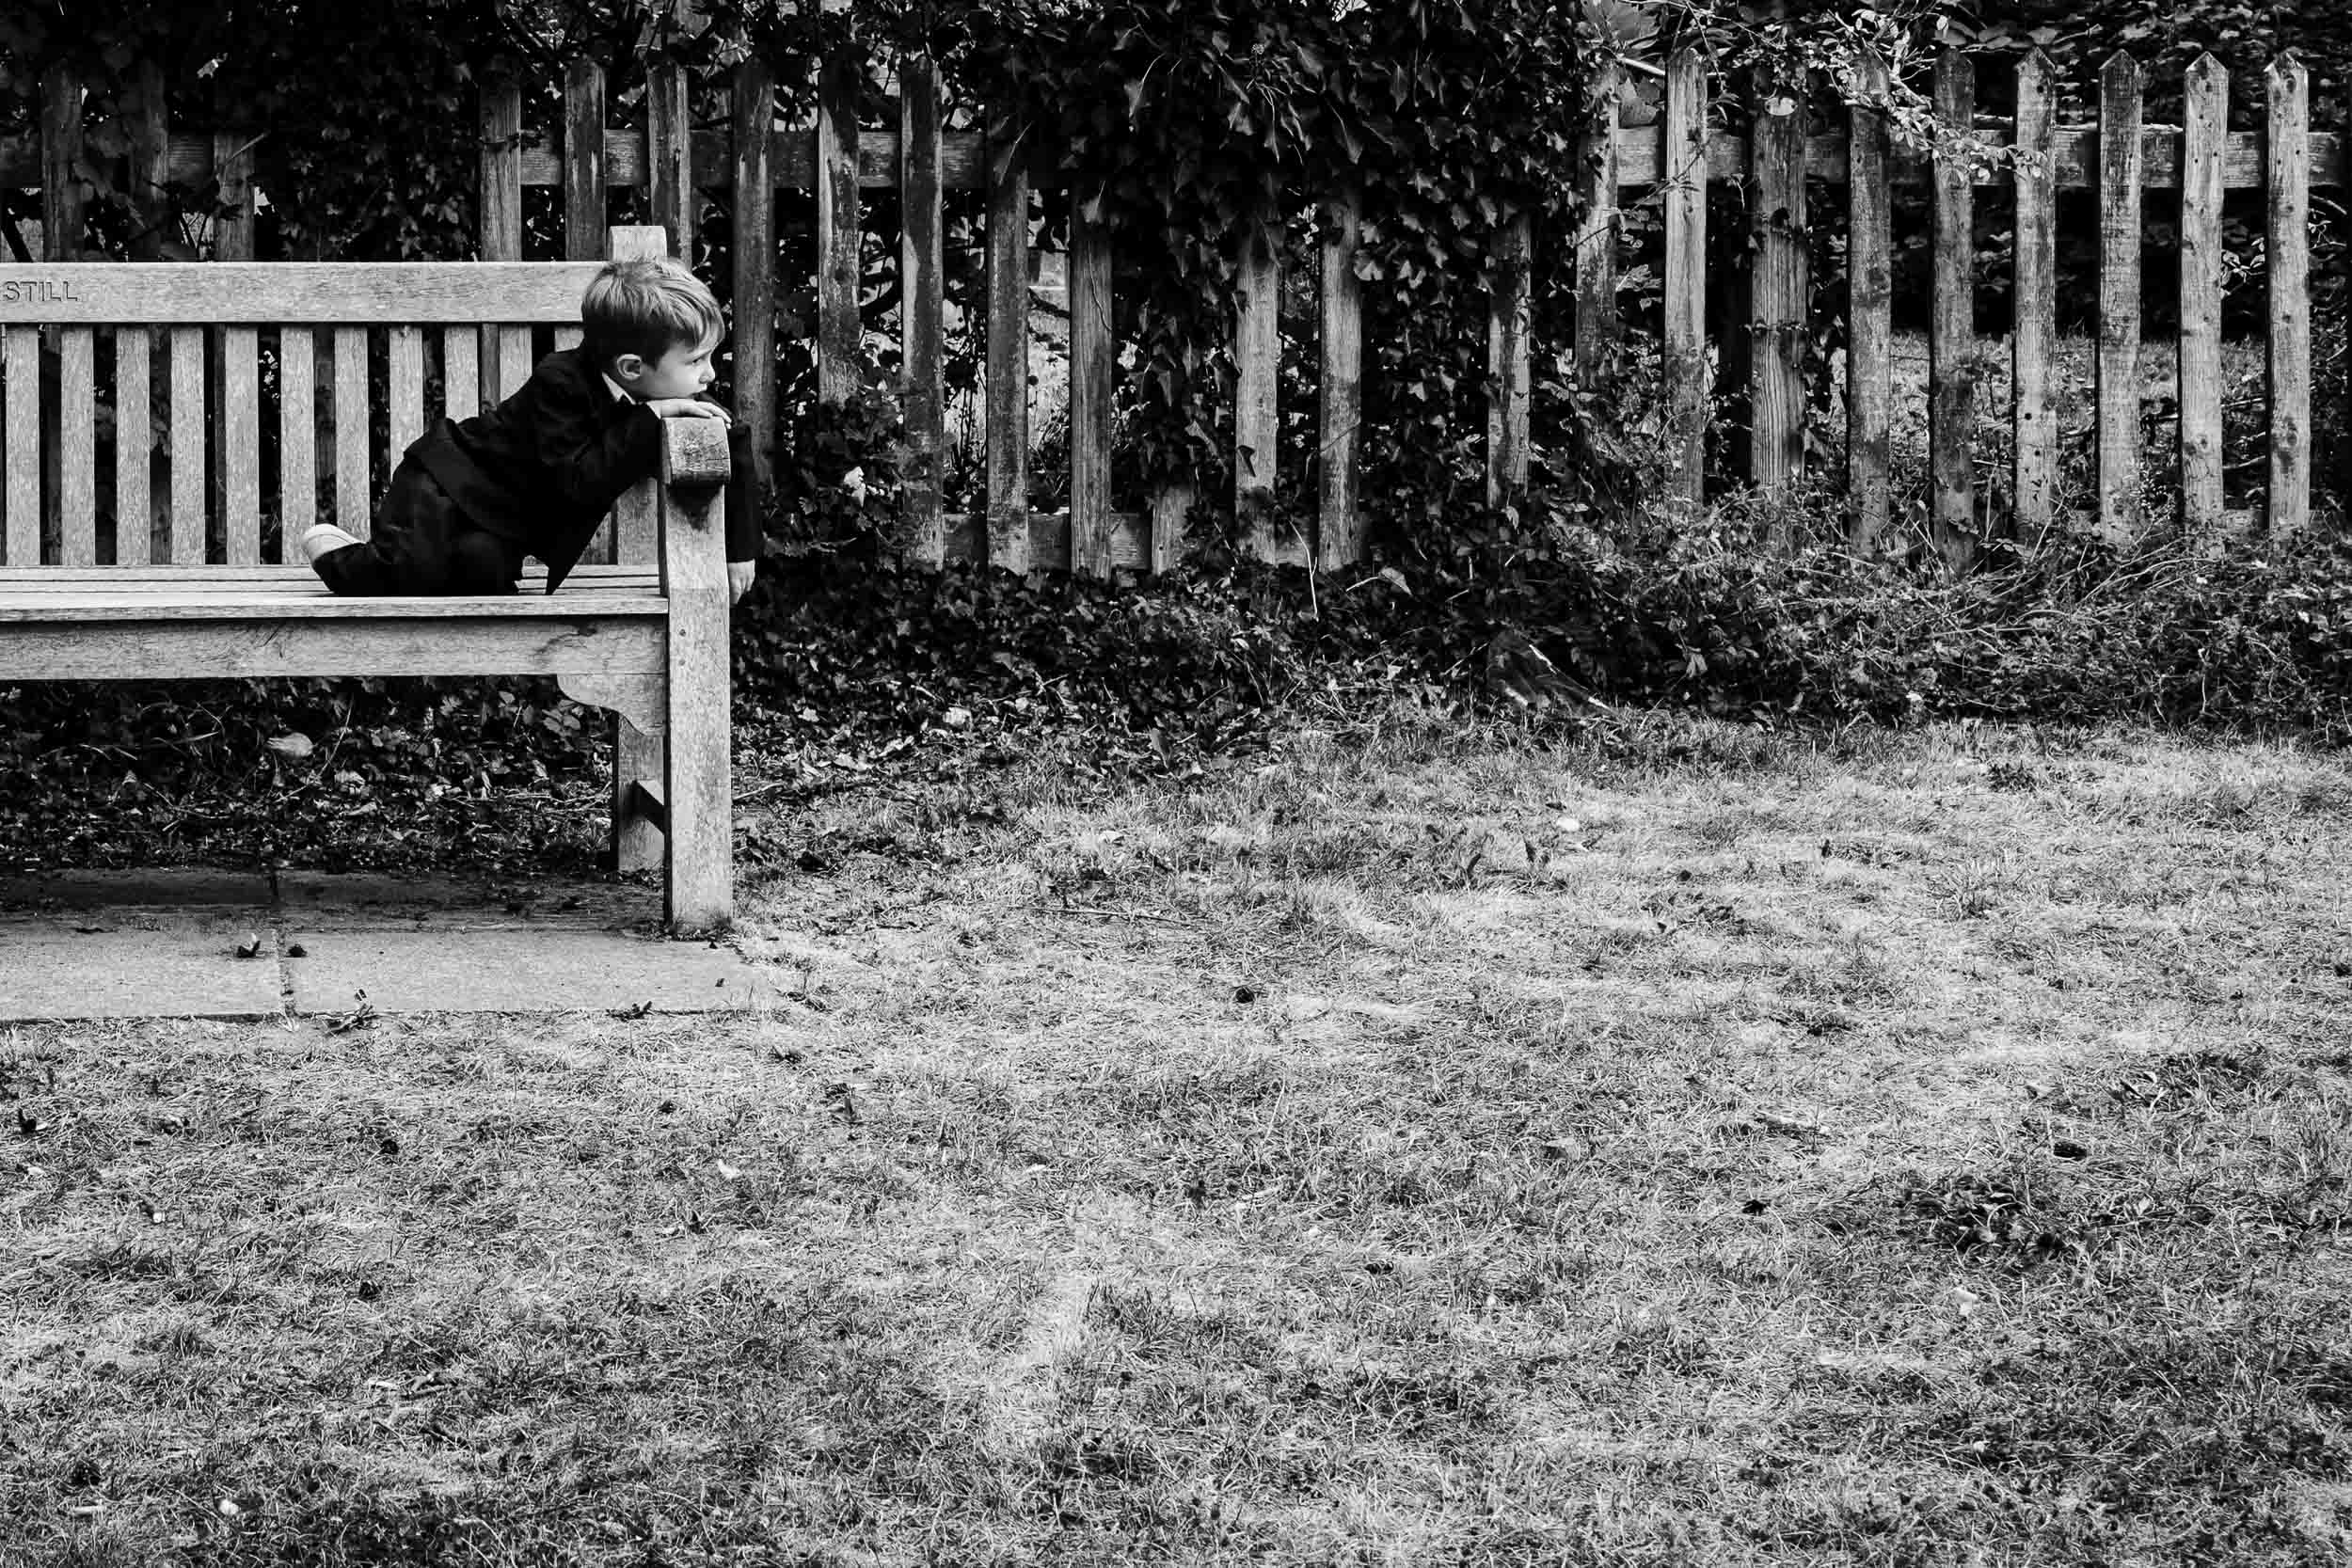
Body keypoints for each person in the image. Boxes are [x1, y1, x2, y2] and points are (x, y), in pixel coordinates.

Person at [301, 257, 760, 603]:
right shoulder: (560, 382)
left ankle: (433, 558)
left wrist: (739, 551)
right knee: (402, 570)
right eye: (697, 361)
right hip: (450, 482)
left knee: (484, 571)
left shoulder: (669, 394)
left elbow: (733, 439)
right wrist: (649, 419)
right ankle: (341, 555)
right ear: (631, 367)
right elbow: (578, 482)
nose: (709, 375)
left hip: (502, 522)